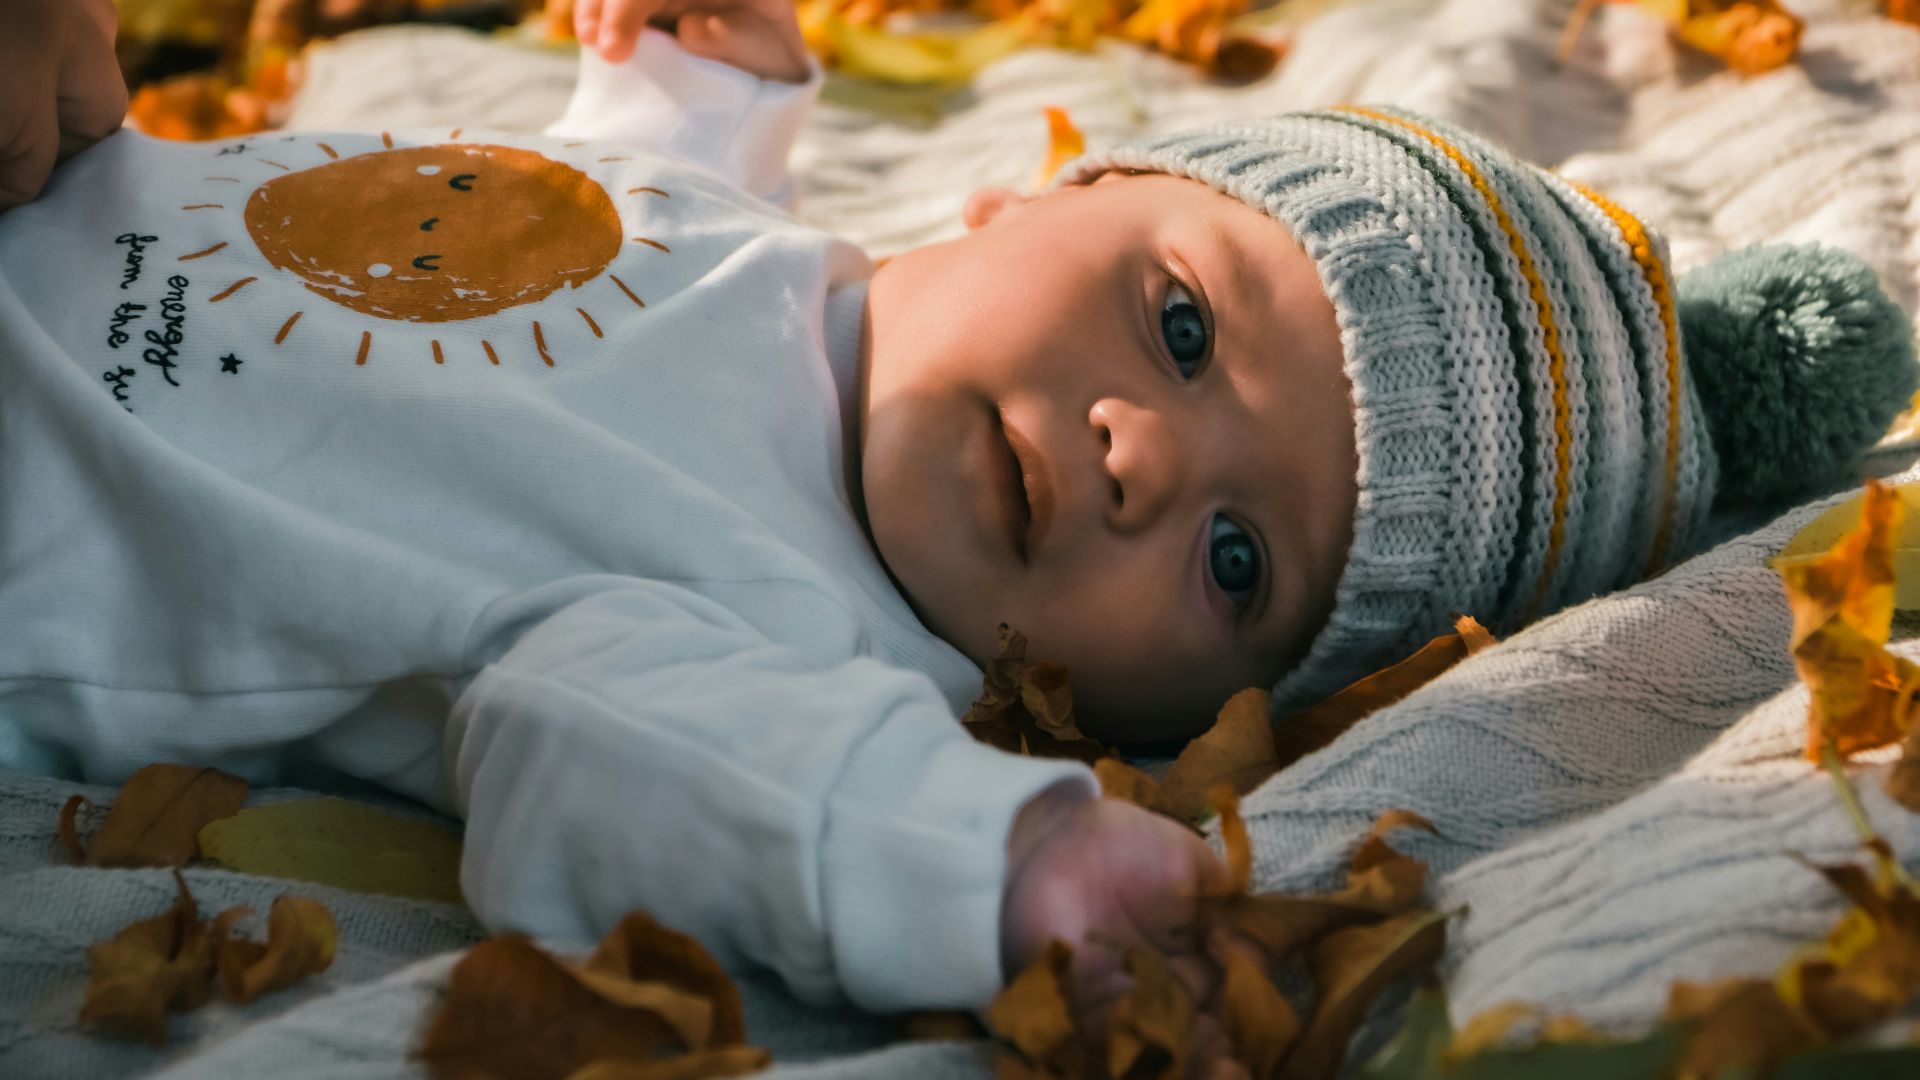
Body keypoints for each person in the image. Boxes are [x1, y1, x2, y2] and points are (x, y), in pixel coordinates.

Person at [1, 0, 1912, 1067]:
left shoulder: (797, 639)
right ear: (1035, 197)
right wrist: (695, 75)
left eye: (1239, 566)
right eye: (1180, 325)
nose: (1146, 458)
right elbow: (596, 200)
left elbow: (606, 760)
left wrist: (992, 865)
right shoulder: (772, 255)